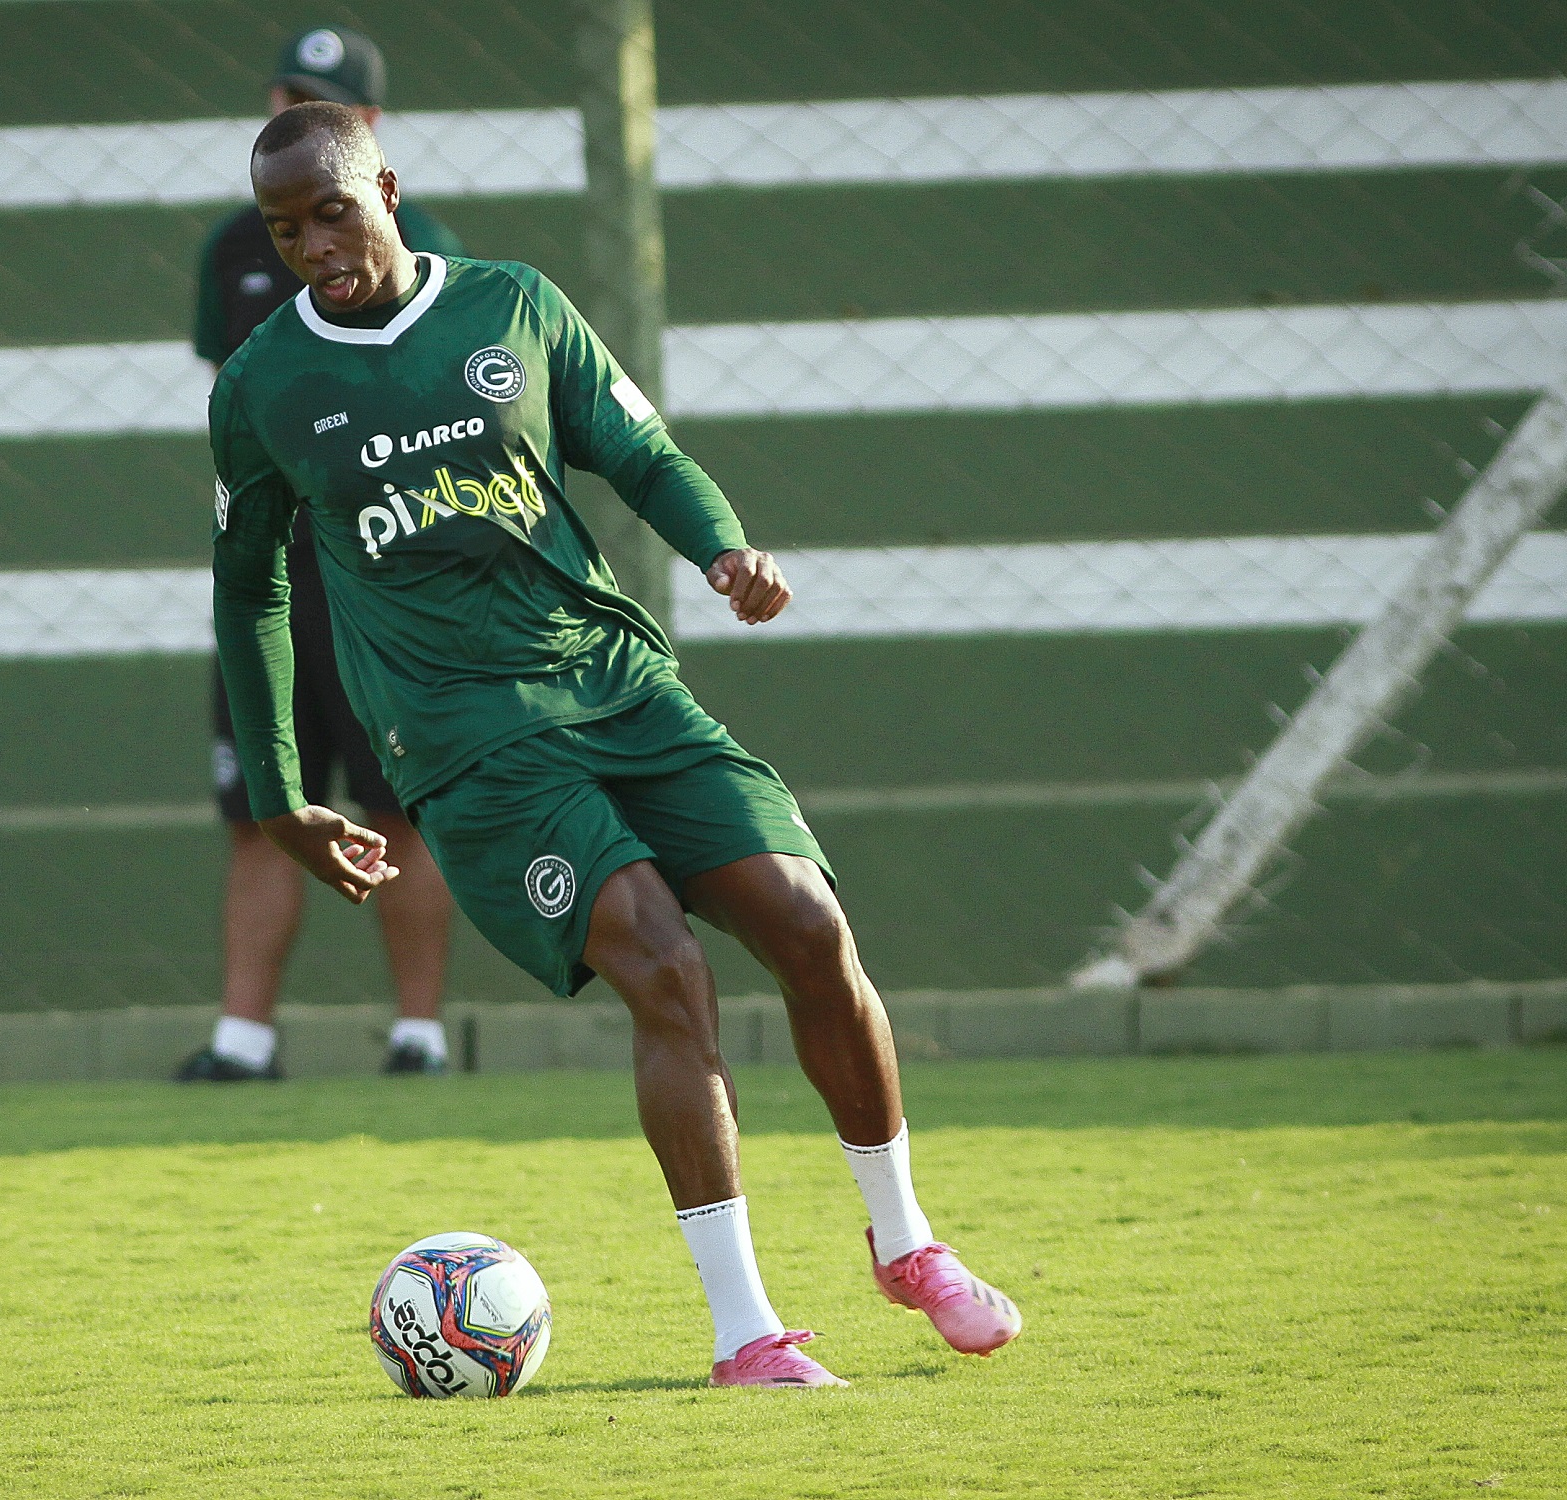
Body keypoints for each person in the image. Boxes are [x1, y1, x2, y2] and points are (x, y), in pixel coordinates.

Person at [210, 102, 1024, 1387]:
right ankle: (745, 1328)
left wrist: (724, 548)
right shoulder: (262, 384)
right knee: (663, 962)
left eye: (332, 212)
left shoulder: (513, 308)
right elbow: (249, 587)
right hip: (467, 742)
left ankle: (907, 1242)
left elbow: (639, 452)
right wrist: (282, 795)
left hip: (617, 684)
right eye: (282, 228)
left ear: (389, 190)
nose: (311, 244)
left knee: (810, 928)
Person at [178, 27, 467, 1082]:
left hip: (385, 573)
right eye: (289, 95)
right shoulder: (232, 246)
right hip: (277, 572)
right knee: (262, 806)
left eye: (325, 100)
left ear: (373, 136)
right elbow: (238, 402)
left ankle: (418, 1036)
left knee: (400, 806)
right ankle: (243, 1041)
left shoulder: (428, 242)